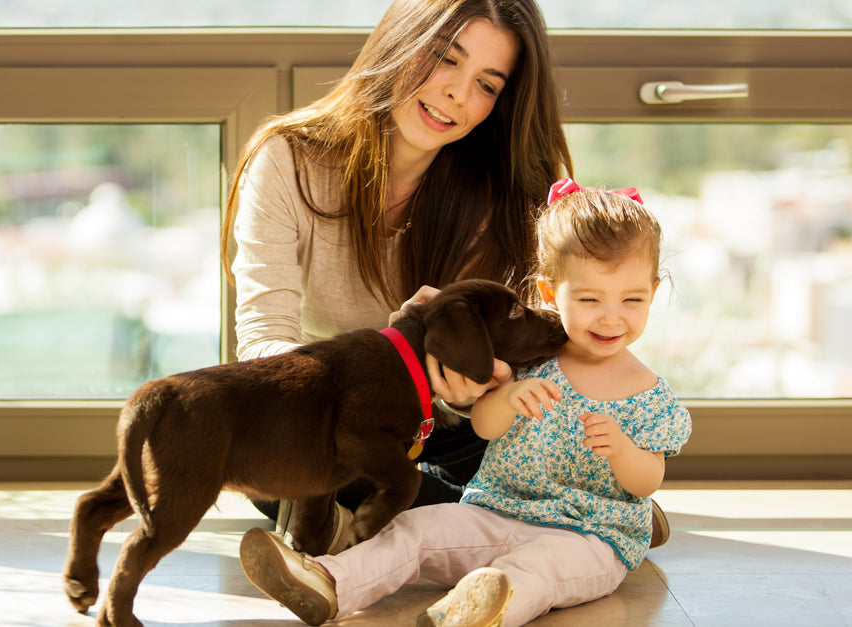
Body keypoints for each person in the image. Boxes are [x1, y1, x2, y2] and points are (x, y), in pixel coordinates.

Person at [238, 180, 694, 627]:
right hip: (493, 513)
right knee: (416, 531)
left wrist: (622, 451)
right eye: (590, 299)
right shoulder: (533, 357)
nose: (612, 316)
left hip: (590, 539)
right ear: (552, 293)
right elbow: (484, 427)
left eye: (632, 300)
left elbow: (647, 481)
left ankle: (472, 611)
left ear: (653, 293)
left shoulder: (649, 393)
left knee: (538, 568)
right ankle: (328, 583)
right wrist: (509, 396)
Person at [222, 0, 583, 554]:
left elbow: (502, 366)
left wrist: (470, 387)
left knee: (537, 431)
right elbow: (262, 344)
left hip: (446, 432)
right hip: (338, 422)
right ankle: (554, 517)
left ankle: (401, 527)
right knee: (274, 462)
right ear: (401, 42)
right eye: (444, 59)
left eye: (486, 85)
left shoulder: (491, 197)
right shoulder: (287, 161)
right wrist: (378, 360)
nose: (458, 95)